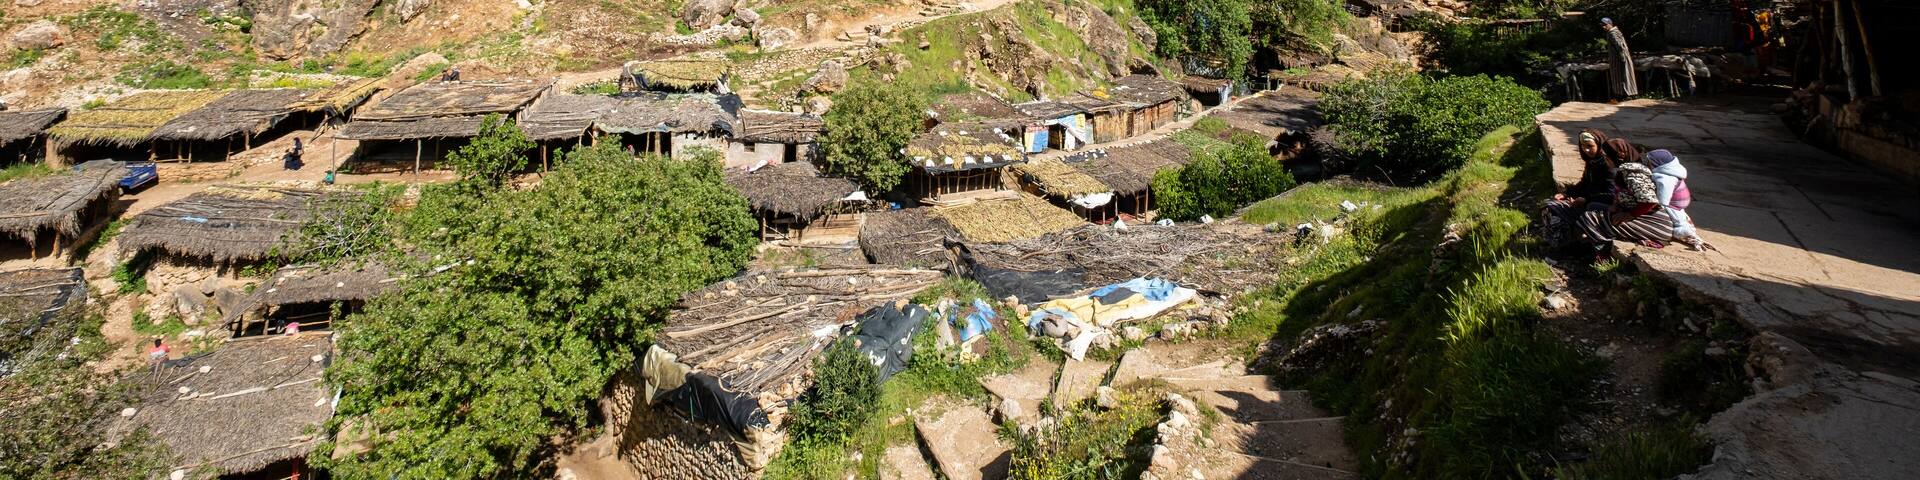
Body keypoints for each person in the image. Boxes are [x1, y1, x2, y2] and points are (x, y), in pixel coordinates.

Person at [1642, 149, 1714, 250]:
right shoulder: (1673, 171)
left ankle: (1689, 236)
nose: (1647, 165)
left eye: (1649, 163)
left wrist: (1653, 207)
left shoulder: (1664, 179)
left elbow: (1663, 200)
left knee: (1678, 224)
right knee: (1680, 219)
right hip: (1677, 203)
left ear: (1656, 164)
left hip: (1672, 205)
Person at [1602, 18, 1638, 101]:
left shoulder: (1613, 33)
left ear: (1610, 24)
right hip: (1621, 58)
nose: (1604, 27)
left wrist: (1622, 58)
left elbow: (1619, 46)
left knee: (1621, 76)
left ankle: (1624, 95)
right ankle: (1625, 94)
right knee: (1622, 76)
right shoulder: (1614, 32)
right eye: (1602, 25)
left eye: (1605, 25)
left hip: (1620, 59)